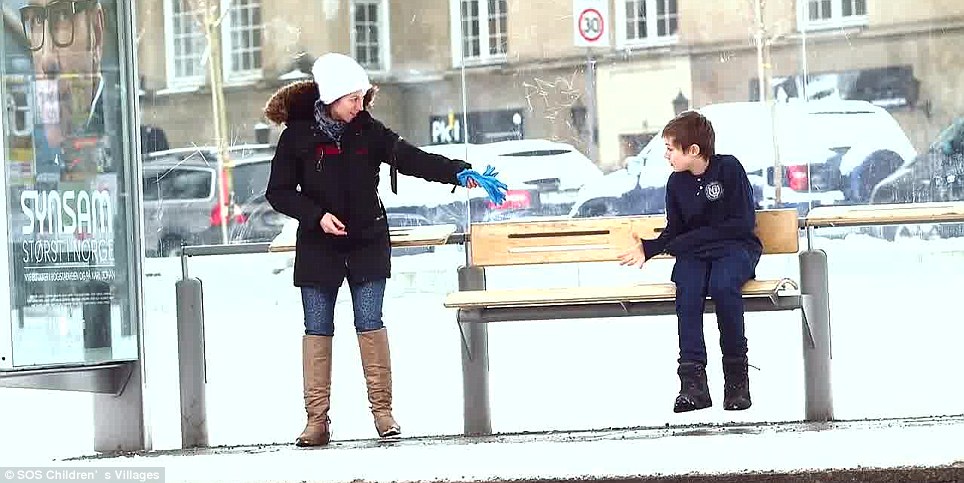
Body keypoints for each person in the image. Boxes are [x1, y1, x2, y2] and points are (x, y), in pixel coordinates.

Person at [263, 52, 500, 447]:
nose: (361, 105)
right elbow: (279, 192)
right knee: (317, 328)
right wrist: (316, 215)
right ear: (332, 100)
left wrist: (459, 172)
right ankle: (316, 422)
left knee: (370, 322)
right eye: (353, 98)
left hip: (367, 242)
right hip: (319, 245)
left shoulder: (368, 132)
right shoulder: (298, 137)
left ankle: (383, 414)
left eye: (362, 97)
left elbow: (412, 159)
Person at [618, 111, 762, 413]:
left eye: (671, 149)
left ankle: (737, 381)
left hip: (736, 250)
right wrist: (649, 248)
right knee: (688, 286)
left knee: (723, 287)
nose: (667, 156)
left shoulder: (729, 169)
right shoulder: (676, 183)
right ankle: (693, 385)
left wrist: (685, 242)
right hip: (697, 255)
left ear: (693, 150)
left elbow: (741, 223)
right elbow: (675, 232)